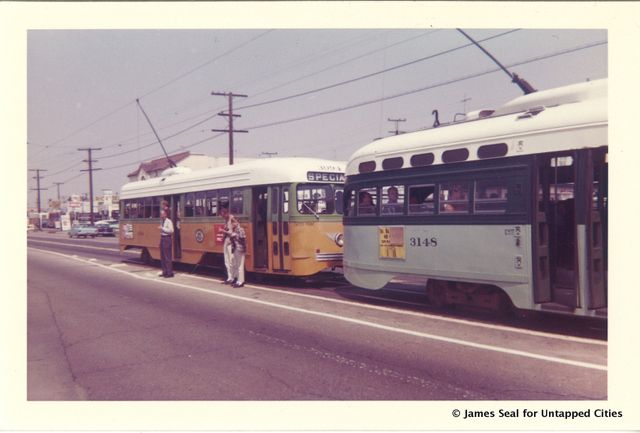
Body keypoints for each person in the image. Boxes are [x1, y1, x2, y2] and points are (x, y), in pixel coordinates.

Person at [218, 206, 235, 284]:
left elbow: (232, 233)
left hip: (231, 242)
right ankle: (229, 277)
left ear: (227, 213)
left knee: (231, 260)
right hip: (226, 241)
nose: (223, 217)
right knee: (227, 261)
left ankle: (233, 277)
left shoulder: (232, 220)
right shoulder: (226, 220)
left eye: (223, 215)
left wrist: (223, 231)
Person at [228, 217, 247, 288]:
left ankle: (241, 281)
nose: (232, 224)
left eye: (233, 222)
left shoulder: (240, 229)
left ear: (237, 222)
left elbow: (243, 238)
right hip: (235, 248)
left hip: (240, 249)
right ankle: (238, 280)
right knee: (237, 265)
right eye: (231, 223)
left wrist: (235, 236)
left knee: (240, 266)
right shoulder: (234, 230)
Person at [158, 208, 174, 278]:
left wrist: (162, 229)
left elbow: (171, 230)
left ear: (165, 214)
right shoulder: (162, 221)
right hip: (162, 238)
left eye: (162, 214)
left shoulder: (169, 221)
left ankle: (169, 272)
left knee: (167, 257)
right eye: (161, 214)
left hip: (167, 238)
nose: (161, 215)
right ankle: (164, 271)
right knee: (162, 256)